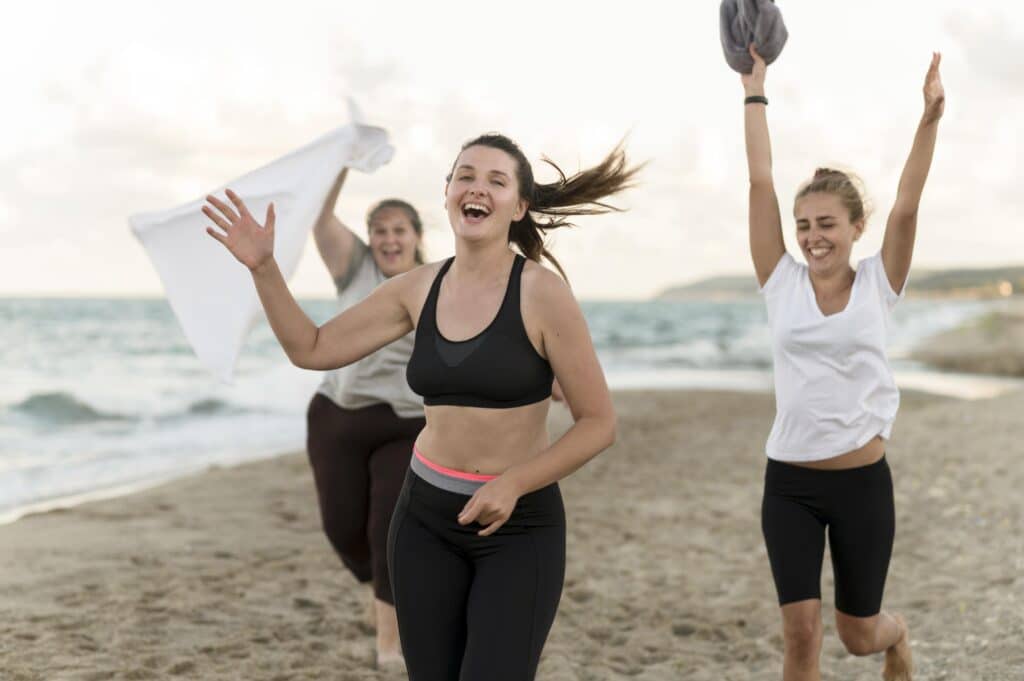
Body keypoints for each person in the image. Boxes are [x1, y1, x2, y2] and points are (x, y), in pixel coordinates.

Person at [203, 132, 639, 680]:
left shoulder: (542, 293)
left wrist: (513, 483)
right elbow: (311, 349)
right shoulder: (416, 289)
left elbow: (598, 423)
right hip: (424, 520)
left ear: (520, 206)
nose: (477, 188)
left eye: (496, 181)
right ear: (449, 193)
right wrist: (264, 268)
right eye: (465, 176)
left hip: (517, 527)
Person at [742, 44, 943, 681]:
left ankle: (897, 635)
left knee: (858, 636)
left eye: (826, 223)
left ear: (856, 226)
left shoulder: (881, 282)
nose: (811, 236)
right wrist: (754, 90)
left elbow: (907, 205)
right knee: (801, 633)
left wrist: (930, 118)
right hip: (790, 484)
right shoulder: (780, 280)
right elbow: (760, 181)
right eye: (803, 225)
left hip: (861, 484)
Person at [304, 167, 426, 668]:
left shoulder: (438, 281)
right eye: (380, 230)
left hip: (405, 422)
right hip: (337, 418)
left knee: (386, 529)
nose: (388, 239)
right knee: (341, 529)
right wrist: (340, 161)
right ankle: (382, 588)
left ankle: (389, 645)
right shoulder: (355, 268)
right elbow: (320, 216)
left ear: (418, 237)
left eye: (399, 230)